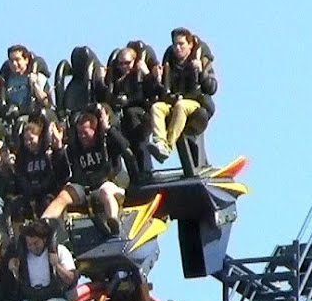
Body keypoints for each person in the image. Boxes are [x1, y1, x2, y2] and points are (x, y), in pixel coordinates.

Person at [42, 107, 131, 235]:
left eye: (85, 132)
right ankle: (43, 223)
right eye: (79, 133)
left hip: (106, 184)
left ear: (94, 131)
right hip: (84, 187)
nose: (82, 136)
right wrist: (58, 147)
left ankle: (113, 220)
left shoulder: (105, 142)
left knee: (106, 193)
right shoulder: (75, 146)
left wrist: (108, 128)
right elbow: (62, 173)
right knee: (63, 195)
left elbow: (124, 146)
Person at [147, 28, 218, 167]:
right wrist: (157, 79)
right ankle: (160, 143)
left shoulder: (200, 60)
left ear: (190, 45)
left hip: (196, 103)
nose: (178, 48)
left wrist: (202, 72)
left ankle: (167, 147)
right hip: (174, 100)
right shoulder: (170, 63)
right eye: (175, 45)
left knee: (181, 106)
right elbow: (161, 92)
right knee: (157, 108)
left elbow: (212, 88)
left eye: (181, 44)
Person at [103, 46, 162, 181]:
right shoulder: (117, 80)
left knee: (138, 138)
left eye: (127, 63)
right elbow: (109, 98)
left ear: (135, 61)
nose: (124, 67)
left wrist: (149, 75)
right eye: (121, 64)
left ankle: (145, 171)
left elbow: (156, 92)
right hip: (125, 118)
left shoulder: (141, 75)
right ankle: (128, 173)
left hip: (143, 115)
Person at [12, 116, 70, 221]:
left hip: (47, 191)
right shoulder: (22, 156)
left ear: (39, 137)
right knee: (17, 207)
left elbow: (56, 174)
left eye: (31, 139)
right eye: (26, 140)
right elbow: (20, 175)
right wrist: (29, 188)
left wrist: (41, 187)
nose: (28, 143)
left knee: (45, 203)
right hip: (29, 191)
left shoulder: (48, 153)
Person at [1, 44, 50, 120]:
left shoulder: (38, 77)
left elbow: (46, 103)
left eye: (17, 60)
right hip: (12, 116)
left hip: (33, 117)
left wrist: (34, 85)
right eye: (11, 61)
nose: (14, 64)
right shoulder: (7, 79)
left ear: (26, 60)